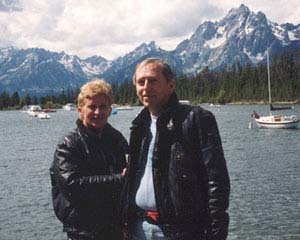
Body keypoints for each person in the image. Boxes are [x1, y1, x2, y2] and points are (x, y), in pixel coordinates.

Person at [121, 58, 230, 240]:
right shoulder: (139, 126)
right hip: (139, 229)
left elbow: (216, 181)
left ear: (171, 85)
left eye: (153, 81)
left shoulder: (196, 119)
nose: (146, 87)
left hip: (180, 232)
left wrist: (216, 232)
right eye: (141, 82)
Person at [50, 79, 128, 240]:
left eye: (103, 107)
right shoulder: (69, 144)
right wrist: (120, 179)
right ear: (80, 110)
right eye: (92, 107)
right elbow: (73, 185)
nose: (98, 112)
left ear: (109, 110)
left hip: (115, 227)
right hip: (84, 231)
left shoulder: (116, 139)